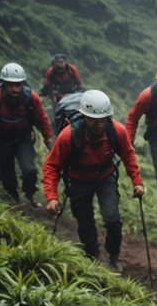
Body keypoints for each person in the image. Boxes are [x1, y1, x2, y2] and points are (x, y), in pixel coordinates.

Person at [43, 90, 144, 272]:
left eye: (102, 120)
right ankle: (92, 256)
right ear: (83, 117)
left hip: (105, 177)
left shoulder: (116, 131)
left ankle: (113, 256)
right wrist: (51, 197)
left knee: (113, 220)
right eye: (92, 120)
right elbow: (52, 165)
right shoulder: (68, 136)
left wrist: (137, 182)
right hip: (78, 180)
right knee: (85, 221)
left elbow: (128, 155)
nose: (98, 125)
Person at [0, 62, 54, 205]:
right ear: (3, 84)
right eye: (11, 85)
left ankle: (29, 193)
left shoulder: (30, 97)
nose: (15, 88)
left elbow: (41, 119)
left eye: (18, 85)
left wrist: (48, 137)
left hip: (23, 137)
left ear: (23, 84)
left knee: (30, 170)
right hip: (1, 138)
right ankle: (13, 198)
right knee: (6, 174)